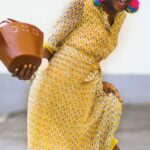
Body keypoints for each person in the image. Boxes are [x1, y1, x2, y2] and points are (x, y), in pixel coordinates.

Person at [12, 0, 140, 149]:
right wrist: (31, 70)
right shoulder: (82, 4)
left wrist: (99, 84)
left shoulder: (120, 16)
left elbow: (92, 56)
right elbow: (51, 43)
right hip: (54, 90)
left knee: (109, 112)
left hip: (85, 93)